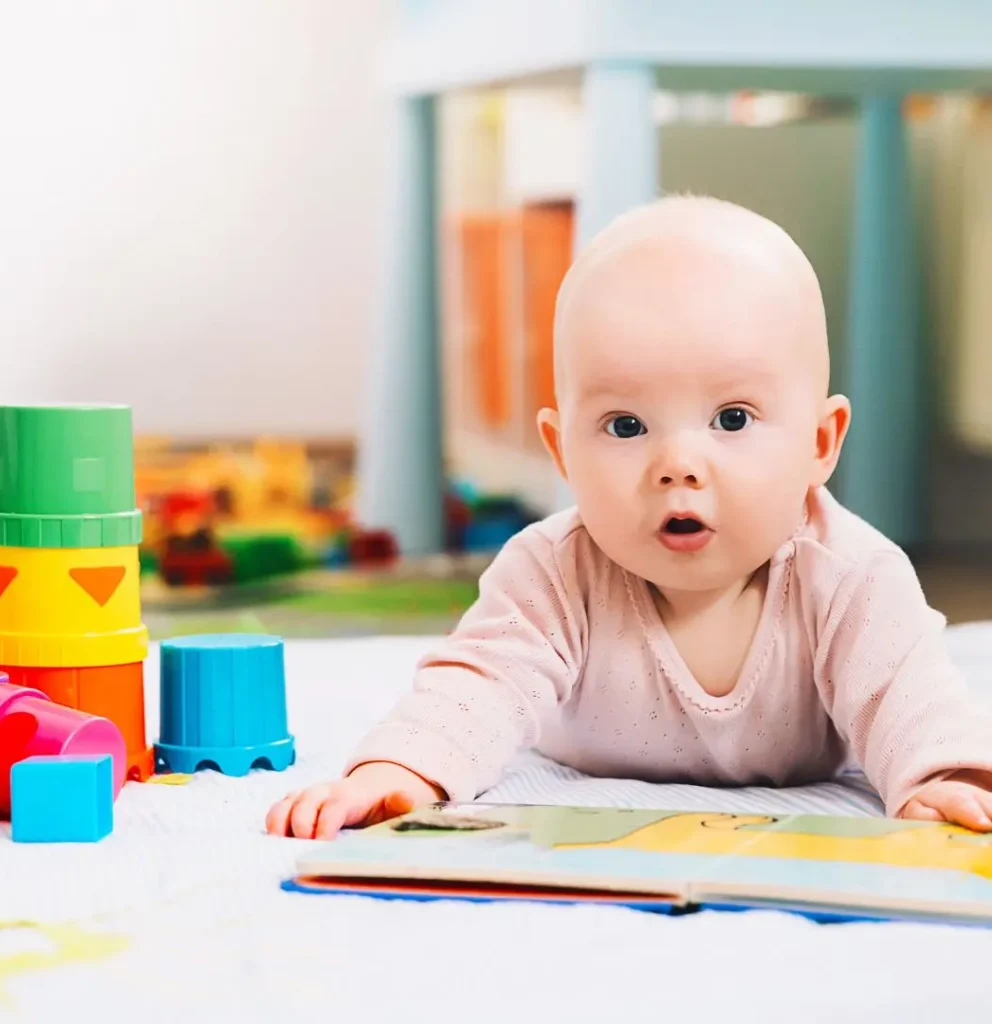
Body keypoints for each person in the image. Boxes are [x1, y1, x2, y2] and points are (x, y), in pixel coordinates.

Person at [266, 195, 992, 840]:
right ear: (561, 450)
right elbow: (477, 683)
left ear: (819, 443)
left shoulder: (851, 578)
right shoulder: (555, 571)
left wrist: (940, 780)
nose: (678, 463)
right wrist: (403, 771)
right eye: (624, 426)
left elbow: (908, 692)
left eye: (731, 418)